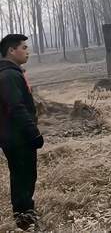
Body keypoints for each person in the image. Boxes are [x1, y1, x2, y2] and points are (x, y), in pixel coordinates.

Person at [0, 34, 43, 230]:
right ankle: (24, 217)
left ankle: (26, 212)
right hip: (17, 136)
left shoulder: (12, 73)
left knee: (25, 174)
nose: (28, 51)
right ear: (11, 50)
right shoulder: (8, 75)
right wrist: (32, 132)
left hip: (15, 135)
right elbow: (16, 107)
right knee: (22, 174)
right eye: (24, 48)